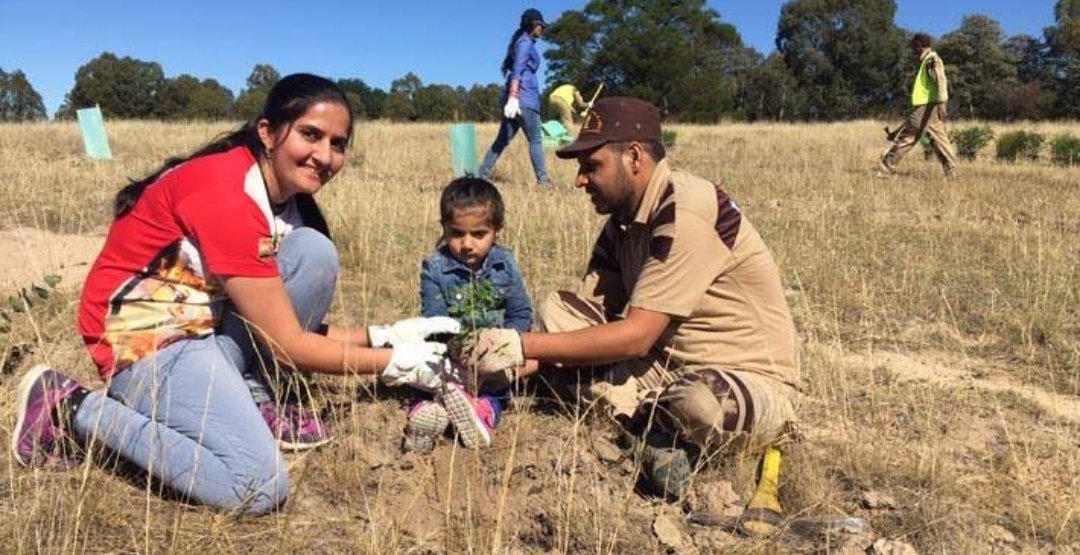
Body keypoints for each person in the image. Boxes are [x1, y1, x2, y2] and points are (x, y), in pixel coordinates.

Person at [11, 74, 458, 514]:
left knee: (314, 253)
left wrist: (384, 335)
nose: (324, 155)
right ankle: (71, 408)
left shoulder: (290, 205)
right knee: (256, 484)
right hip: (144, 344)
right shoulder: (227, 194)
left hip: (202, 331)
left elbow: (275, 318)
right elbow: (289, 345)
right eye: (310, 135)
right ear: (267, 132)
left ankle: (250, 394)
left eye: (338, 143)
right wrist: (399, 365)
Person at [451, 97, 801, 530]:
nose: (580, 180)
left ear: (633, 156)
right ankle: (653, 431)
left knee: (699, 404)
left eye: (591, 165)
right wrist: (515, 364)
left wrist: (517, 345)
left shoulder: (686, 207)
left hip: (743, 374)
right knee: (556, 310)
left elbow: (634, 336)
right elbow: (593, 315)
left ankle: (656, 424)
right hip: (662, 363)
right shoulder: (620, 222)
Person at [403, 177, 533, 453]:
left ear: (497, 231)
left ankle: (482, 414)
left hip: (493, 355)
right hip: (450, 351)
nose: (466, 244)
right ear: (444, 229)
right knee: (426, 373)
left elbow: (520, 312)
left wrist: (507, 347)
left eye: (478, 234)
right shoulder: (435, 267)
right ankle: (423, 415)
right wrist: (459, 351)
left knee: (498, 389)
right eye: (457, 233)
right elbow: (434, 318)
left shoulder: (505, 265)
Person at [477, 8, 554, 188]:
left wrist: (511, 98)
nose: (543, 29)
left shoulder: (521, 42)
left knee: (502, 140)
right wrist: (513, 96)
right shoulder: (525, 43)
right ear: (534, 25)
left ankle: (481, 176)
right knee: (535, 140)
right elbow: (518, 69)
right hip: (524, 97)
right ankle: (544, 182)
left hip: (516, 99)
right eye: (541, 25)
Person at [879, 32, 958, 178]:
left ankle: (886, 169)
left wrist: (942, 102)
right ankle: (951, 172)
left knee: (908, 138)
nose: (912, 51)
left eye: (914, 47)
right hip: (930, 107)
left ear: (919, 46)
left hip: (927, 106)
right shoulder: (928, 60)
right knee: (939, 141)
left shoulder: (931, 60)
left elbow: (940, 81)